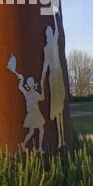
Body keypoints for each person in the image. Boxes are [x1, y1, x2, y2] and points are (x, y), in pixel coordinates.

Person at [41, 9, 66, 148]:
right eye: (47, 33)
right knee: (56, 109)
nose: (49, 34)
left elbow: (58, 30)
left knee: (60, 107)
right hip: (52, 79)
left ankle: (61, 138)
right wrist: (41, 80)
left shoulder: (54, 43)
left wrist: (55, 16)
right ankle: (60, 138)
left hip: (58, 77)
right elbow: (45, 66)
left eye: (49, 32)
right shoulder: (47, 48)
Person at [16, 73, 45, 153]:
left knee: (31, 131)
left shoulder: (27, 93)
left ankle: (24, 144)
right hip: (35, 114)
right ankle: (40, 148)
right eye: (31, 82)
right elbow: (42, 98)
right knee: (41, 130)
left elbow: (20, 87)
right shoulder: (34, 93)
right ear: (31, 84)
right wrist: (42, 87)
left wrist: (21, 80)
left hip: (32, 114)